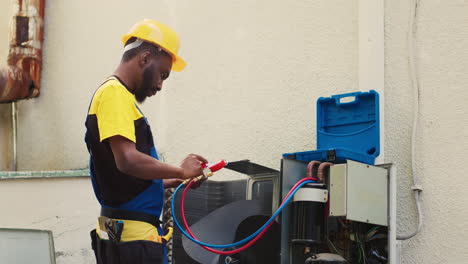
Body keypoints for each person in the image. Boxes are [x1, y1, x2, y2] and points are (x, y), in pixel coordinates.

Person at [85, 19, 207, 264]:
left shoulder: (117, 97)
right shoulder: (114, 94)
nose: (160, 85)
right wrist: (181, 169)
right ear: (144, 58)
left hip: (122, 232)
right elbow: (128, 161)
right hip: (133, 239)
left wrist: (178, 178)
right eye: (162, 74)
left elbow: (127, 179)